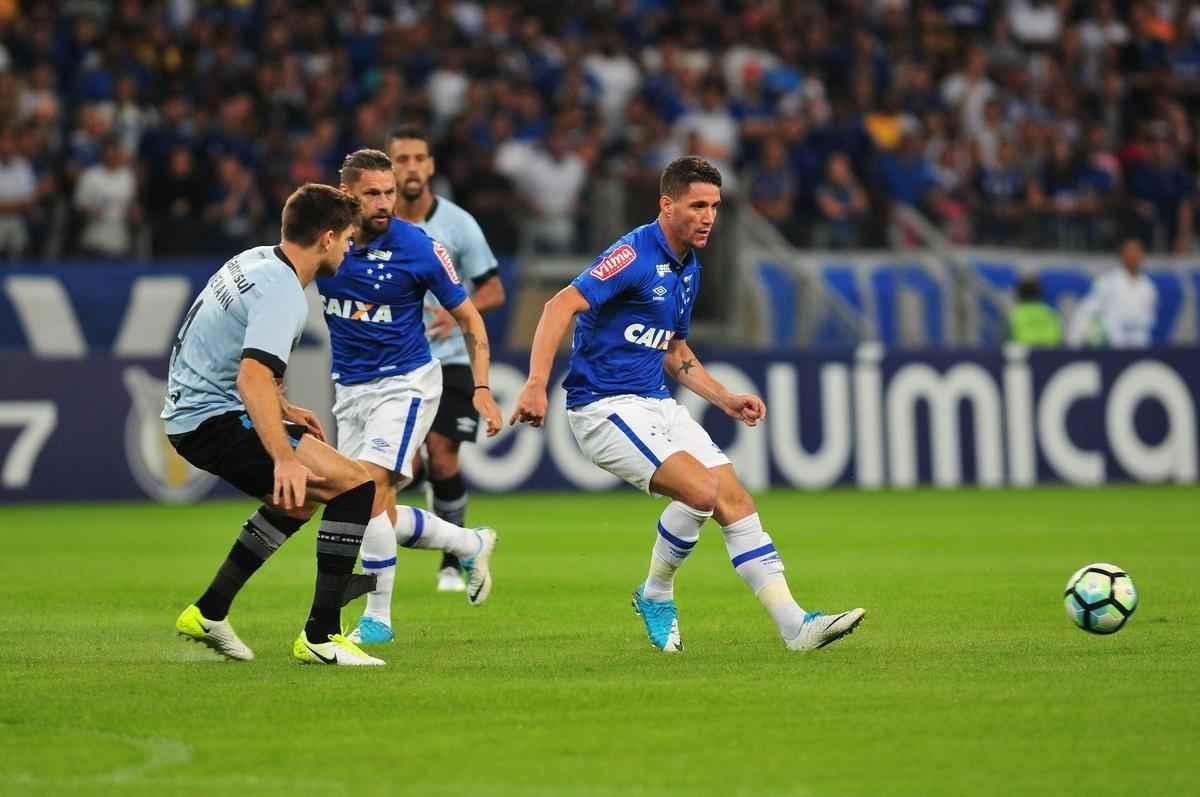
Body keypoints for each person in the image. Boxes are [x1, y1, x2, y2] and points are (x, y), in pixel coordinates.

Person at [509, 156, 865, 653]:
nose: (709, 217)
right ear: (667, 204)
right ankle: (656, 593)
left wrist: (725, 399)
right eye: (698, 205)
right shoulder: (633, 254)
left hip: (656, 403)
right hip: (604, 408)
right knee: (700, 492)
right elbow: (558, 305)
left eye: (715, 206)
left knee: (735, 500)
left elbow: (674, 351)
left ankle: (795, 627)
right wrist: (534, 385)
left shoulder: (688, 267)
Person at [163, 183, 388, 666]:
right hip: (212, 419)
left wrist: (283, 408)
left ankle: (209, 611)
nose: (349, 249)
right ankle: (321, 636)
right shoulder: (283, 290)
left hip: (195, 411)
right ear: (326, 239)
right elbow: (251, 375)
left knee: (300, 502)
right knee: (354, 487)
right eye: (347, 239)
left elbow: (229, 355)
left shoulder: (255, 260)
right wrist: (284, 457)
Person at [316, 149, 503, 646]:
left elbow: (471, 319)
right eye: (371, 193)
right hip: (350, 390)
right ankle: (468, 542)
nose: (383, 203)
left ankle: (378, 619)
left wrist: (482, 389)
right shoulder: (325, 242)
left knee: (368, 493)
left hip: (406, 384)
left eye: (389, 192)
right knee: (372, 511)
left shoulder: (419, 247)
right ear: (346, 194)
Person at [388, 125, 508, 593]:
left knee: (442, 457)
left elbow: (494, 288)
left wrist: (461, 312)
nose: (412, 168)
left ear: (431, 165)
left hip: (451, 358)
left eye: (419, 158)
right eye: (402, 159)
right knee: (402, 469)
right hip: (396, 362)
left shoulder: (457, 224)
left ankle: (451, 560)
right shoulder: (375, 225)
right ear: (388, 165)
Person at [1066, 237, 1158, 348]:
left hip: (1140, 345)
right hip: (1114, 344)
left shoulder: (1149, 287)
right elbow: (1087, 311)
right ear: (1122, 255)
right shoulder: (1107, 282)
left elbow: (1149, 320)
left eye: (1137, 251)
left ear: (1142, 256)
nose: (1133, 256)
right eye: (1129, 251)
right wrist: (1074, 340)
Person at [1008, 276, 1063, 346]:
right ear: (1039, 293)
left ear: (1018, 295)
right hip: (1050, 352)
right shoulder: (1049, 312)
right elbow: (1057, 336)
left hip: (1025, 352)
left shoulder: (1015, 314)